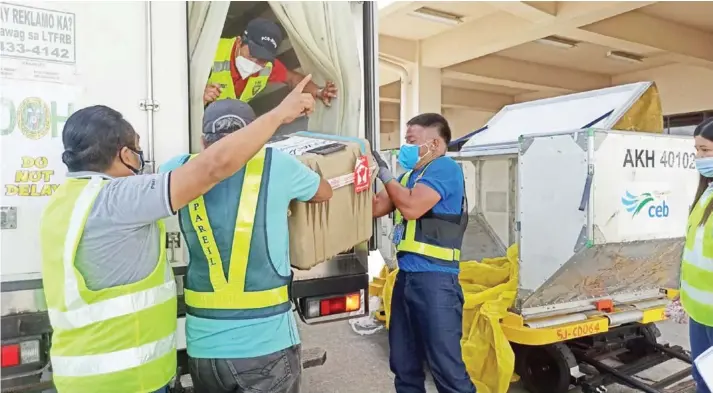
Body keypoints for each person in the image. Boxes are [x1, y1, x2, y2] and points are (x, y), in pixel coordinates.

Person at [39, 75, 316, 393]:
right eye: (137, 150)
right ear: (124, 154)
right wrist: (280, 114)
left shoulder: (64, 202)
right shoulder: (119, 197)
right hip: (127, 382)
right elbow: (214, 167)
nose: (140, 159)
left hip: (80, 377)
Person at [159, 99, 332, 393]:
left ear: (203, 140)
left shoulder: (175, 169)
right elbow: (323, 192)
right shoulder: (277, 164)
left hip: (203, 348)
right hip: (266, 345)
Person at [372, 113, 475, 393]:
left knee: (446, 368)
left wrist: (385, 175)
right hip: (406, 278)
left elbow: (412, 208)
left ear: (436, 144)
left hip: (436, 281)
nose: (405, 147)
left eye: (411, 141)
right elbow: (375, 207)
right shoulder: (408, 177)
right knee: (404, 364)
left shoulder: (444, 168)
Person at [204, 17, 337, 107]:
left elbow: (293, 79)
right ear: (239, 42)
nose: (255, 63)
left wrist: (319, 91)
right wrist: (199, 96)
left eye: (262, 59)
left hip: (229, 124)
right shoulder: (209, 51)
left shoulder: (267, 65)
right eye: (252, 54)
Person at [682, 117, 713, 393]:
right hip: (699, 312)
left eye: (705, 151)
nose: (699, 157)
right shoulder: (705, 193)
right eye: (697, 150)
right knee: (702, 377)